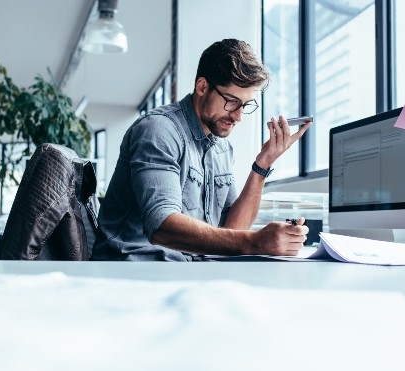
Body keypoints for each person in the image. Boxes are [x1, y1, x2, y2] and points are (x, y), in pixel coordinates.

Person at [92, 39, 312, 261]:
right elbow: (161, 226)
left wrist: (263, 164)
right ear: (202, 87)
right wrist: (255, 241)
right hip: (132, 269)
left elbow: (231, 230)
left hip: (187, 268)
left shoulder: (222, 148)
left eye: (245, 105)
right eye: (231, 101)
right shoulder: (158, 130)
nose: (238, 117)